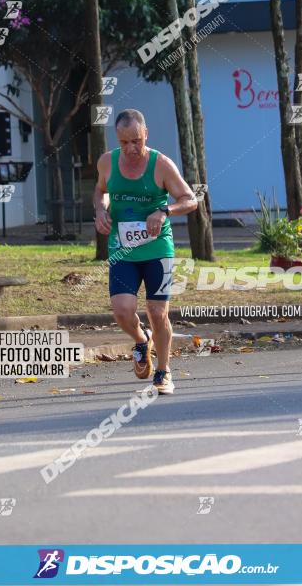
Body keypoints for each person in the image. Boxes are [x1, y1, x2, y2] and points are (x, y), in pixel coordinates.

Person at [94, 109, 198, 395]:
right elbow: (100, 191)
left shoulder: (161, 164)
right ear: (117, 138)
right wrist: (100, 210)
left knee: (157, 311)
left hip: (157, 249)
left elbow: (190, 200)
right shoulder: (107, 162)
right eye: (125, 142)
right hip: (123, 250)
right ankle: (142, 341)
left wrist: (164, 211)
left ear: (146, 135)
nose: (131, 149)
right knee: (122, 311)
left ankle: (163, 372)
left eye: (136, 141)